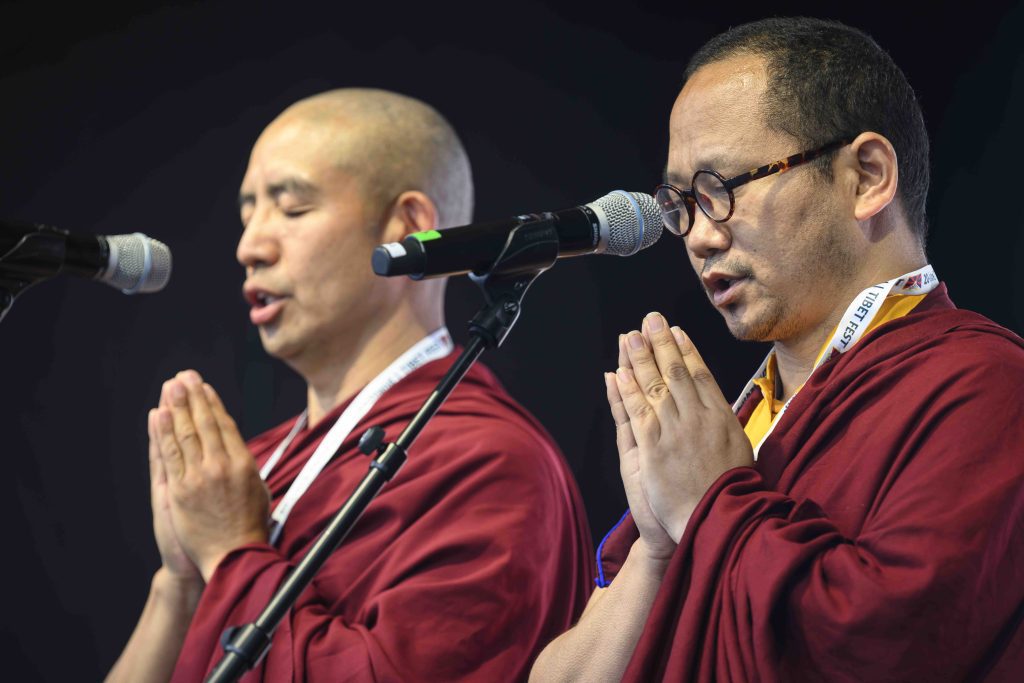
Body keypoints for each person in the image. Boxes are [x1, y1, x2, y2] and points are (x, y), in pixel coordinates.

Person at [531, 17, 1024, 682]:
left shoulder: (985, 385)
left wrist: (713, 504)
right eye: (683, 203)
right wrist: (658, 548)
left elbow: (884, 651)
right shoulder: (736, 425)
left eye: (722, 189)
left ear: (867, 177)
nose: (698, 237)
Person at [106, 88, 594, 682]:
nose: (249, 247)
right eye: (247, 214)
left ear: (407, 225)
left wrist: (232, 552)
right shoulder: (247, 471)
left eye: (291, 208)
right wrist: (179, 581)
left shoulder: (490, 463)